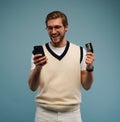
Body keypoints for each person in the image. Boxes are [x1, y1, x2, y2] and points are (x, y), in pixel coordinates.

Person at [28, 11, 95, 122]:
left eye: (57, 27)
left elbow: (87, 86)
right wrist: (38, 68)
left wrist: (89, 68)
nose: (53, 32)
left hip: (72, 114)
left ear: (66, 27)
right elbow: (32, 87)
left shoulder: (80, 51)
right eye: (49, 28)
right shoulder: (38, 54)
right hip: (44, 114)